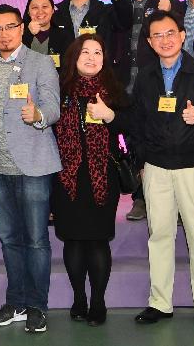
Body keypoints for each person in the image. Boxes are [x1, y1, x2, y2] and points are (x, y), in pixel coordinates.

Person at [123, 10, 194, 332]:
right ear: (151, 42)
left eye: (170, 33)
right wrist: (141, 160)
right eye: (157, 36)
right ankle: (159, 302)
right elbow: (137, 121)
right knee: (160, 236)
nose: (164, 40)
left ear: (182, 35)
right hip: (156, 167)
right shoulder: (147, 76)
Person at [0, 4, 61, 333]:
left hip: (34, 166)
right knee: (9, 238)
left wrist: (37, 115)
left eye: (10, 26)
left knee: (36, 239)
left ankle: (37, 305)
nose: (4, 34)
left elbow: (53, 106)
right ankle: (17, 301)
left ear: (22, 28)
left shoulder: (40, 64)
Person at [52, 34, 130, 327]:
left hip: (102, 177)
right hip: (66, 177)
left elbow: (133, 124)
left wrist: (110, 115)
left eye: (98, 52)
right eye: (85, 52)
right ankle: (78, 298)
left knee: (97, 241)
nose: (91, 57)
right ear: (74, 56)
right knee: (72, 241)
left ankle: (97, 301)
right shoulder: (59, 90)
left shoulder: (113, 90)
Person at [104, 0, 185, 221]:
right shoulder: (118, 2)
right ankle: (139, 196)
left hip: (157, 83)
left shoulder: (167, 1)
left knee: (156, 137)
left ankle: (160, 197)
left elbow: (178, 37)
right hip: (123, 82)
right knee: (130, 140)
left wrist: (169, 13)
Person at [21, 0, 73, 72]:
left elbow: (69, 69)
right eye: (35, 7)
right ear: (28, 12)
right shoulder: (20, 36)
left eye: (45, 6)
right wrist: (28, 34)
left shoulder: (65, 36)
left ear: (52, 10)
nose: (40, 11)